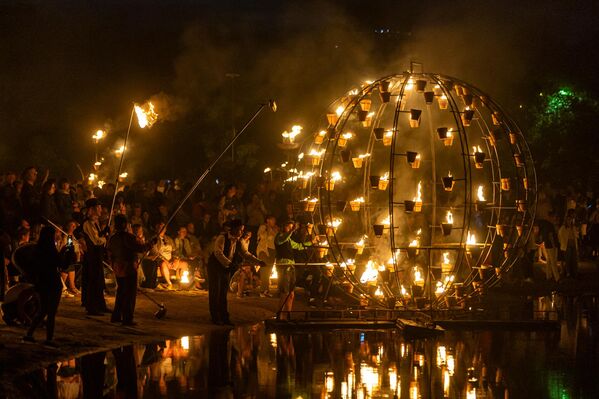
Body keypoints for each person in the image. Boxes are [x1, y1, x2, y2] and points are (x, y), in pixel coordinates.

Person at [207, 219, 265, 325]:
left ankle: (224, 317)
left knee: (223, 293)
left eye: (242, 230)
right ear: (233, 229)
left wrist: (258, 261)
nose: (241, 232)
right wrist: (230, 264)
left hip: (225, 268)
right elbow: (218, 253)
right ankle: (215, 317)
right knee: (215, 292)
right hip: (215, 267)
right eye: (240, 230)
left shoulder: (238, 241)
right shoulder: (222, 238)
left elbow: (245, 253)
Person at [23, 226, 66, 347]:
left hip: (42, 283)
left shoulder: (37, 250)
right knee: (51, 312)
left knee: (42, 310)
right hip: (52, 282)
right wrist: (63, 252)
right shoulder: (51, 250)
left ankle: (29, 334)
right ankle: (49, 338)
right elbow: (60, 264)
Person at [107, 214, 152, 326]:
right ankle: (127, 318)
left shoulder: (113, 238)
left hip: (118, 267)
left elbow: (109, 253)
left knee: (121, 292)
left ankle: (116, 316)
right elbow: (141, 248)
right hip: (128, 268)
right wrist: (150, 244)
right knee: (129, 294)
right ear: (124, 224)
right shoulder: (128, 237)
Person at [274, 220, 315, 320]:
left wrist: (312, 242)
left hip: (291, 266)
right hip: (283, 267)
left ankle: (288, 315)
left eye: (291, 227)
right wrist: (291, 231)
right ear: (284, 227)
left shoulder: (288, 240)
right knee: (285, 292)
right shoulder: (279, 237)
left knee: (291, 293)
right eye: (289, 227)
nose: (290, 228)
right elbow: (283, 239)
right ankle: (279, 314)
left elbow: (298, 246)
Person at [81, 198, 109, 315]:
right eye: (98, 207)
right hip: (91, 257)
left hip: (97, 256)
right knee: (92, 281)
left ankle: (101, 305)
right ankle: (91, 307)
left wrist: (103, 232)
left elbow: (98, 236)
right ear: (91, 209)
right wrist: (105, 237)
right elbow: (96, 240)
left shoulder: (95, 222)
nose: (100, 209)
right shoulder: (88, 223)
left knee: (99, 280)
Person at [256, 215, 278, 297]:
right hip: (264, 251)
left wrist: (273, 230)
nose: (274, 222)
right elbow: (262, 237)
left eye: (274, 220)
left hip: (272, 250)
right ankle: (262, 290)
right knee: (264, 270)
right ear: (268, 220)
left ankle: (266, 290)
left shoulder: (275, 228)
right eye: (273, 220)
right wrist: (268, 229)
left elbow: (275, 237)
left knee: (269, 271)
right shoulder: (263, 227)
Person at [149, 222, 175, 289]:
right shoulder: (154, 239)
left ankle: (183, 284)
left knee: (183, 264)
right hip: (160, 259)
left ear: (165, 229)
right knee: (163, 264)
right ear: (156, 229)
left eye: (163, 227)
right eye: (159, 227)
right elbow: (155, 253)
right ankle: (169, 283)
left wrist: (174, 259)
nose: (161, 229)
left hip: (170, 259)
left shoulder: (169, 239)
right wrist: (166, 261)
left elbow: (174, 251)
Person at [559, 209, 579, 278]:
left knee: (574, 259)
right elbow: (560, 236)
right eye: (568, 220)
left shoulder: (573, 226)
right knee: (567, 259)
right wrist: (563, 243)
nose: (569, 221)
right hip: (567, 245)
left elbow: (575, 235)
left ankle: (574, 272)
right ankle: (568, 272)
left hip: (573, 244)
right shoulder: (563, 228)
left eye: (570, 220)